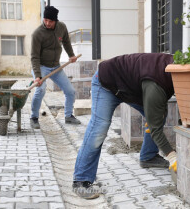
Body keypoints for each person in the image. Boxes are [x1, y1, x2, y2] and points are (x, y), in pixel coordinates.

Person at [72, 53, 178, 199]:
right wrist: (172, 156)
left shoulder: (174, 69)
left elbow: (158, 108)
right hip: (106, 83)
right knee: (99, 128)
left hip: (128, 86)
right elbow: (155, 128)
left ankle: (148, 157)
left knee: (158, 115)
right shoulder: (156, 83)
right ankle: (81, 180)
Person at [30, 5, 81, 129]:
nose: (47, 23)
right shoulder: (37, 34)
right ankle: (34, 117)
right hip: (41, 67)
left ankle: (68, 116)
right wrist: (37, 76)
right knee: (40, 90)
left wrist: (72, 55)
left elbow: (66, 42)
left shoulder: (61, 27)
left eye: (50, 21)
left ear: (56, 21)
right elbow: (34, 57)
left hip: (56, 67)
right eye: (45, 20)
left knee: (70, 91)